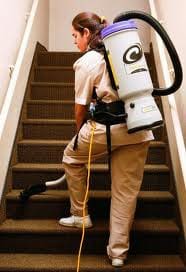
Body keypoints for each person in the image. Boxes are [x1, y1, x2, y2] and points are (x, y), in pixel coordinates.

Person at [59, 11, 154, 267]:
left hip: (107, 128)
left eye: (74, 36)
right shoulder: (122, 50)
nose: (74, 41)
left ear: (86, 33)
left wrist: (79, 134)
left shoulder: (87, 61)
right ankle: (118, 254)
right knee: (125, 193)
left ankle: (80, 215)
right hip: (140, 126)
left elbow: (80, 107)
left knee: (70, 157)